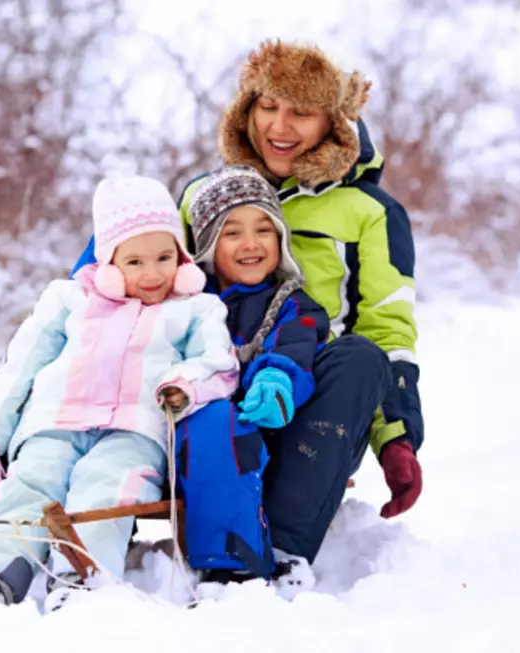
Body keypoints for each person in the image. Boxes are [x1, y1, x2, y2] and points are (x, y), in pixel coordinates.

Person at [178, 39, 425, 580]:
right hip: (208, 385)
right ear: (247, 110)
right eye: (268, 106)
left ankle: (284, 551)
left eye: (302, 112)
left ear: (333, 123)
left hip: (313, 408)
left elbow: (387, 329)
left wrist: (396, 437)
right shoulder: (204, 193)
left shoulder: (370, 213)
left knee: (359, 356)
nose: (280, 126)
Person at [0, 176, 240, 610]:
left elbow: (219, 364)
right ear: (109, 261)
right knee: (28, 485)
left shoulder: (196, 308)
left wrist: (183, 385)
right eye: (134, 262)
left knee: (107, 487)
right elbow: (21, 367)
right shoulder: (68, 300)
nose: (153, 273)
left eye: (164, 257)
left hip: (135, 430)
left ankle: (82, 578)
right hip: (53, 422)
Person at [175, 164, 332, 589]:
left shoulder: (291, 304)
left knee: (221, 422)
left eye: (264, 229)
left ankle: (232, 561)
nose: (251, 244)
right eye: (232, 232)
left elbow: (295, 345)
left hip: (250, 432)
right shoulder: (182, 300)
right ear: (208, 243)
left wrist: (276, 379)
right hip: (167, 423)